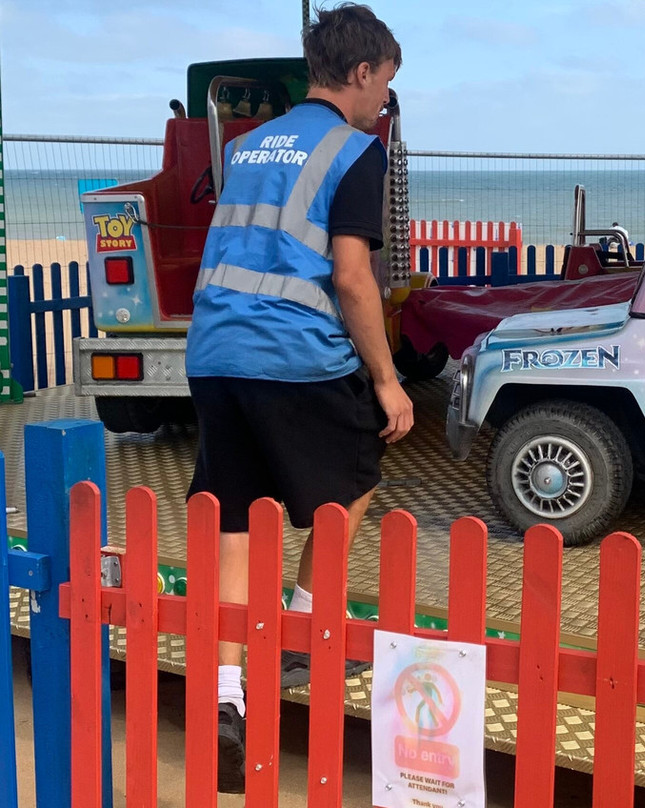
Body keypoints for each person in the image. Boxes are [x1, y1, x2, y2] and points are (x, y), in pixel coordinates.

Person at [183, 3, 412, 793]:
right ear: (359, 73)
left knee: (237, 515)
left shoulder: (246, 146)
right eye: (385, 82)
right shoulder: (357, 151)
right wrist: (387, 380)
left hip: (214, 351)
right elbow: (351, 277)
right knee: (359, 475)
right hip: (292, 353)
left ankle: (223, 695)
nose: (386, 99)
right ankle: (307, 631)